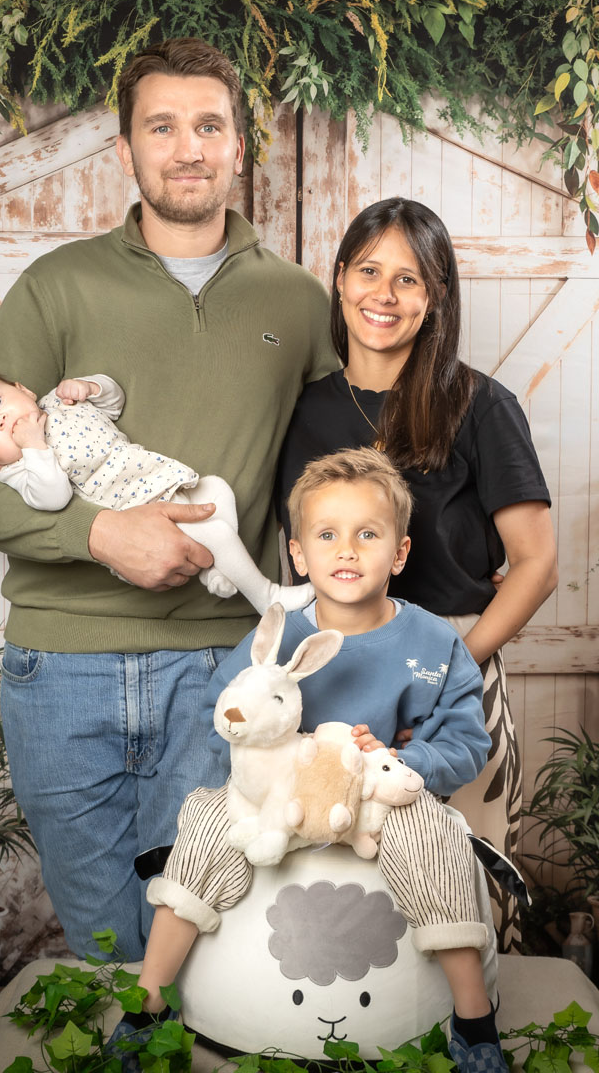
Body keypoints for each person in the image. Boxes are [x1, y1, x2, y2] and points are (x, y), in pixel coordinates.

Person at [0, 37, 337, 962]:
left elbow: (345, 469)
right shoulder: (56, 287)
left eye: (209, 125)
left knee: (197, 947)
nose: (187, 147)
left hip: (218, 671)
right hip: (62, 675)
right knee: (109, 950)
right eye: (162, 126)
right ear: (126, 150)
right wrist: (100, 532)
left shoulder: (301, 300)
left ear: (241, 145)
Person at [114, 447, 507, 1073]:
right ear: (298, 553)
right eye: (327, 535)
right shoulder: (280, 632)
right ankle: (149, 1000)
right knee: (205, 823)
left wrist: (408, 761)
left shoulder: (435, 642)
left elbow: (466, 741)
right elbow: (230, 713)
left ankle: (473, 1020)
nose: (346, 551)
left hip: (374, 800)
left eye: (367, 535)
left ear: (399, 553)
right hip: (278, 796)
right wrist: (268, 752)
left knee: (435, 840)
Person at [276, 197, 557, 951]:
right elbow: (291, 552)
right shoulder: (302, 412)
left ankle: (474, 1034)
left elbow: (537, 564)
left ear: (435, 299)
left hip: (459, 659)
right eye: (369, 271)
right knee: (344, 873)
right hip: (332, 671)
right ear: (339, 280)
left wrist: (447, 672)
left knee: (469, 870)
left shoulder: (479, 405)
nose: (385, 295)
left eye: (410, 280)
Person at [0, 370, 315, 617]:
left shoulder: (58, 401)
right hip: (137, 514)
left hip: (154, 479)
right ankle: (266, 597)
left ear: (23, 390)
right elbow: (53, 498)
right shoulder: (20, 469)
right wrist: (34, 445)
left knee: (216, 489)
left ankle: (219, 569)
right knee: (213, 532)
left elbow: (113, 403)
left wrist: (91, 387)